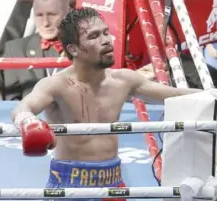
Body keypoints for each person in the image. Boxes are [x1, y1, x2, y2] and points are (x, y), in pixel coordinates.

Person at [11, 8, 202, 201]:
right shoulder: (56, 85)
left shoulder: (123, 80)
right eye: (94, 36)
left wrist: (213, 95)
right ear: (73, 49)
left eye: (105, 32)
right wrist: (28, 122)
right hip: (69, 183)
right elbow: (23, 108)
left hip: (113, 181)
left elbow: (175, 95)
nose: (106, 40)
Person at [0, 0, 71, 100]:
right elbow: (11, 99)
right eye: (39, 15)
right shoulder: (15, 49)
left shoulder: (85, 47)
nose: (46, 23)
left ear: (67, 13)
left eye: (52, 15)